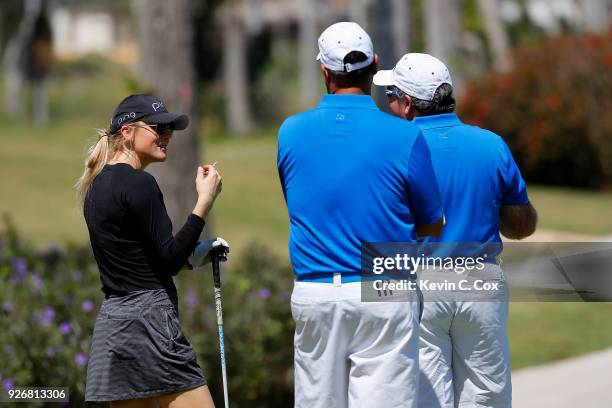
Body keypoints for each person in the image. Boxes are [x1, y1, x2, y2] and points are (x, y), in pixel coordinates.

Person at [277, 23, 445, 408]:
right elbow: (432, 222)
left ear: (324, 71)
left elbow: (303, 203)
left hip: (316, 291)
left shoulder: (290, 132)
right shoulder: (406, 136)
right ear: (376, 65)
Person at [374, 53, 538, 408]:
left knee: (428, 398)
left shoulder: (390, 149)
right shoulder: (491, 145)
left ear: (407, 104)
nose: (387, 103)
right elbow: (521, 226)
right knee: (486, 397)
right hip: (480, 282)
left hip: (417, 285)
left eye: (390, 95)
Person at [76, 94, 226, 408]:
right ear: (127, 132)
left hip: (114, 326)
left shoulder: (96, 186)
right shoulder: (139, 184)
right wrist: (204, 201)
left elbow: (146, 259)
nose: (167, 136)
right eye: (158, 128)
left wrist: (196, 254)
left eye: (170, 129)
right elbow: (169, 260)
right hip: (150, 323)